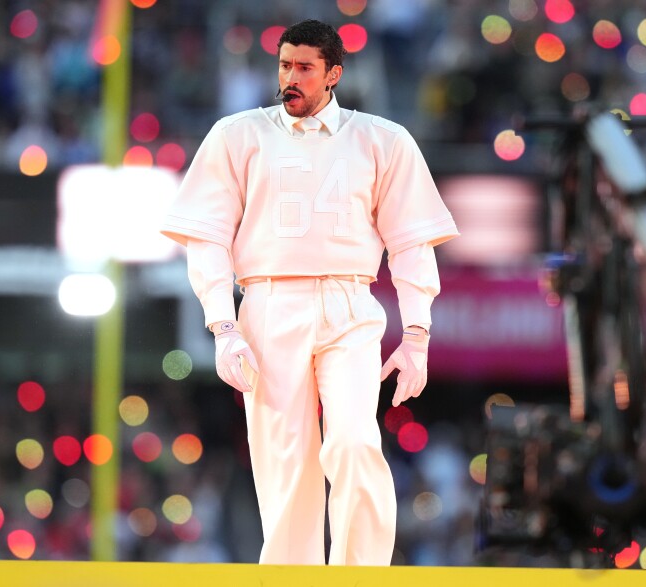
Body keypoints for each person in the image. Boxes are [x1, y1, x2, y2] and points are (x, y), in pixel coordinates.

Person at [161, 19, 458, 565]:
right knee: (286, 462)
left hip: (350, 301)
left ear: (334, 74)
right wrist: (222, 326)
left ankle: (361, 575)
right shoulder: (237, 134)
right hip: (268, 302)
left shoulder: (383, 140)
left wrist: (417, 334)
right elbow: (206, 240)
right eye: (284, 65)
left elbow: (413, 246)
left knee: (353, 441)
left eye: (304, 68)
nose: (290, 78)